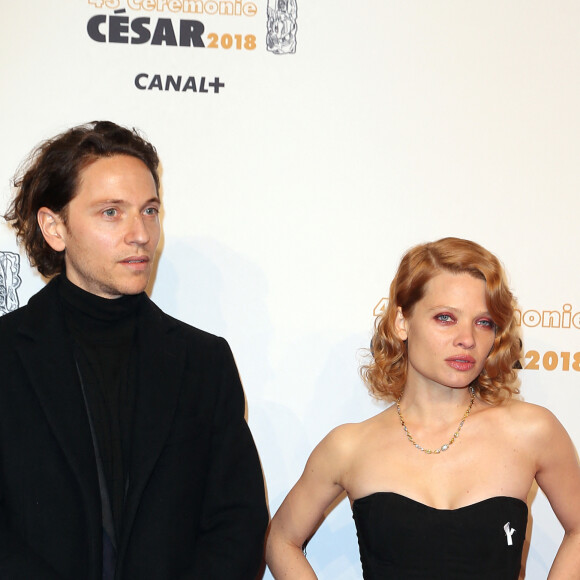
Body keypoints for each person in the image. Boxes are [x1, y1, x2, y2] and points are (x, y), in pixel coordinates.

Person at [0, 121, 269, 579]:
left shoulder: (203, 362)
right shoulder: (6, 355)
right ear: (54, 227)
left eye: (149, 210)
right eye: (111, 212)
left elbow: (237, 526)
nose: (141, 233)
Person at [266, 237, 580, 579]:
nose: (468, 339)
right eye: (445, 318)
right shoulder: (349, 446)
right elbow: (281, 540)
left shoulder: (532, 431)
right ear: (402, 322)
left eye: (484, 322)